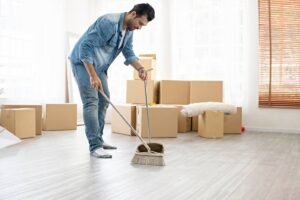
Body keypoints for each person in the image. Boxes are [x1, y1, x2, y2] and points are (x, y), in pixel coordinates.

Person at [69, 3, 155, 158]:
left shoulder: (128, 30)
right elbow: (85, 48)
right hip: (82, 62)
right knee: (91, 100)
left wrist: (140, 68)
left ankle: (99, 140)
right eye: (140, 23)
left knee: (104, 100)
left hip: (99, 66)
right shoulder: (108, 23)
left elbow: (128, 52)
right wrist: (93, 75)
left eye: (143, 26)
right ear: (133, 14)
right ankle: (95, 146)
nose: (140, 27)